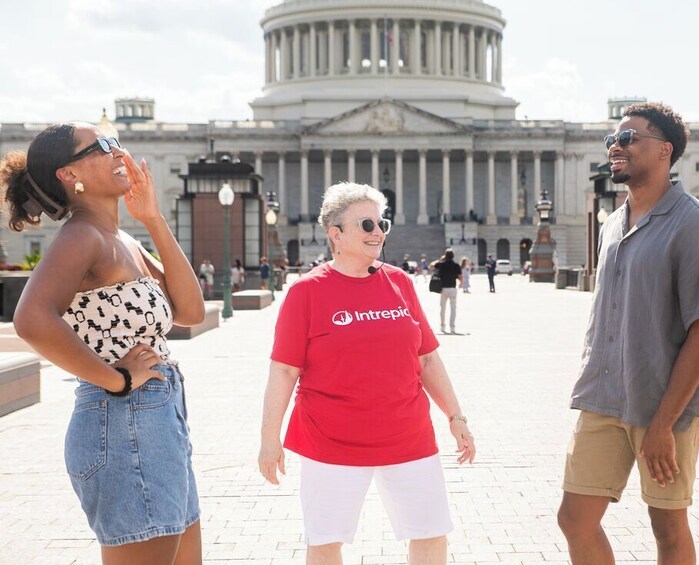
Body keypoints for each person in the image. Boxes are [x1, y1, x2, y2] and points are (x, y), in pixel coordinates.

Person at [0, 123, 205, 563]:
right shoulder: (82, 236)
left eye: (116, 142)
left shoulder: (122, 239)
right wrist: (116, 381)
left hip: (157, 421)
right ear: (68, 174)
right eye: (102, 146)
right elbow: (31, 318)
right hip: (124, 422)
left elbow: (190, 311)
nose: (118, 152)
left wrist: (152, 218)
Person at [258, 182, 475, 565]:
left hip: (408, 435)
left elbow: (427, 359)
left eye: (381, 223)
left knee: (431, 534)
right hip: (332, 441)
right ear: (335, 235)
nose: (378, 233)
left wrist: (455, 417)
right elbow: (284, 370)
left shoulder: (400, 282)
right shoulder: (306, 293)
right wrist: (269, 439)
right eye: (367, 225)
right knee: (326, 542)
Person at [557, 102, 699, 565]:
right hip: (605, 395)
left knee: (667, 526)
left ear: (664, 150)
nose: (616, 145)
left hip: (665, 403)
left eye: (629, 137)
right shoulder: (613, 223)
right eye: (612, 139)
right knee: (575, 518)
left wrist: (662, 425)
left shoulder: (695, 225)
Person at [433, 248, 462, 334]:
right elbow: (460, 276)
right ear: (453, 256)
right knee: (453, 308)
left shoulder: (441, 264)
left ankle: (443, 326)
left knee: (443, 308)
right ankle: (452, 327)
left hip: (443, 289)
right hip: (452, 288)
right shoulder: (456, 265)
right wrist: (461, 283)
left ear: (445, 256)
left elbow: (432, 265)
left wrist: (441, 259)